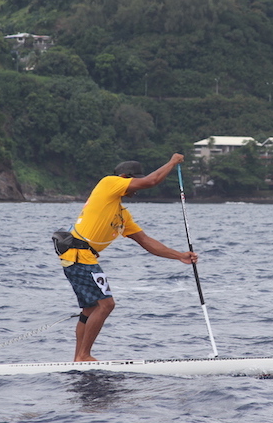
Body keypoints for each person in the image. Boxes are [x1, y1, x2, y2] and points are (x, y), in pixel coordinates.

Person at [58, 153, 197, 362]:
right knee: (106, 304)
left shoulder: (122, 214)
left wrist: (179, 256)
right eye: (134, 180)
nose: (135, 188)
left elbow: (145, 241)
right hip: (79, 254)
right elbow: (151, 181)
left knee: (90, 307)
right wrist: (172, 162)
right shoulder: (109, 182)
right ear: (124, 176)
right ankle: (84, 355)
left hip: (81, 256)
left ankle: (79, 357)